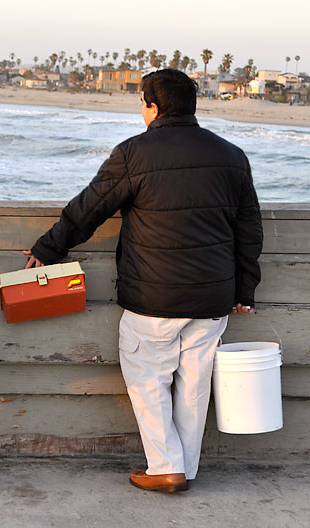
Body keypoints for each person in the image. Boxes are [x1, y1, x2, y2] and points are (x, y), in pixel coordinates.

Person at [25, 69, 263, 493]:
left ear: (153, 107)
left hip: (152, 298)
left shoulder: (135, 154)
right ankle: (182, 469)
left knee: (146, 380)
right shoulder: (232, 156)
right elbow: (249, 231)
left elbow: (89, 209)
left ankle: (165, 467)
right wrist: (245, 290)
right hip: (213, 298)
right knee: (193, 386)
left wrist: (47, 249)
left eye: (142, 102)